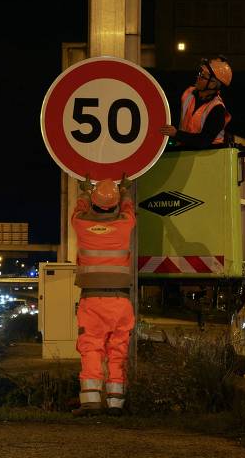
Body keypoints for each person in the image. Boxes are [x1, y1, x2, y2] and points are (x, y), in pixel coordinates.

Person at [71, 175, 136, 417]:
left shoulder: (80, 224)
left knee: (91, 349)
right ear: (116, 204)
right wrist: (126, 191)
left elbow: (79, 208)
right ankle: (116, 403)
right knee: (118, 350)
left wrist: (86, 191)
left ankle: (90, 402)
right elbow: (129, 208)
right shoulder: (125, 224)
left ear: (94, 203)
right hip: (120, 301)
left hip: (92, 301)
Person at [159, 56, 233, 148]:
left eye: (203, 77)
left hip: (210, 156)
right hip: (188, 151)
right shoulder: (188, 93)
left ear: (213, 83)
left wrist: (176, 134)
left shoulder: (217, 109)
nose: (198, 77)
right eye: (200, 74)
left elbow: (204, 141)